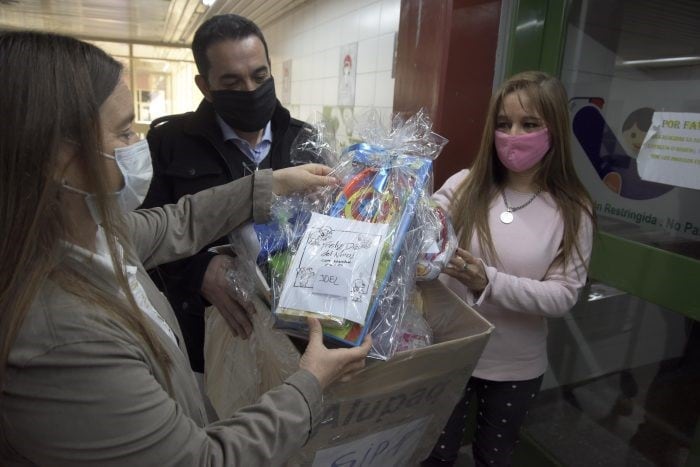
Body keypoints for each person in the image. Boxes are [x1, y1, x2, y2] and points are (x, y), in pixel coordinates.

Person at [0, 31, 370, 466]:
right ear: (61, 159)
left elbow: (177, 221)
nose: (136, 147)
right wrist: (311, 383)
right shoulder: (63, 340)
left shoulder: (94, 234)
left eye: (259, 75)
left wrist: (271, 184)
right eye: (123, 134)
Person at [423, 71, 595, 466]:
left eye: (529, 124)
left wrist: (490, 282)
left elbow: (563, 295)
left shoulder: (573, 209)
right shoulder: (465, 185)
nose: (513, 134)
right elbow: (420, 227)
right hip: (447, 352)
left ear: (553, 129)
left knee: (494, 456)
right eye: (504, 124)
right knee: (435, 454)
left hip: (515, 365)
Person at [141, 13, 316, 373]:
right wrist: (195, 270)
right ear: (205, 86)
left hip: (295, 349)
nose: (250, 90)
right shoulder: (168, 144)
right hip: (202, 347)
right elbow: (139, 239)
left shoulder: (305, 141)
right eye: (232, 82)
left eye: (259, 75)